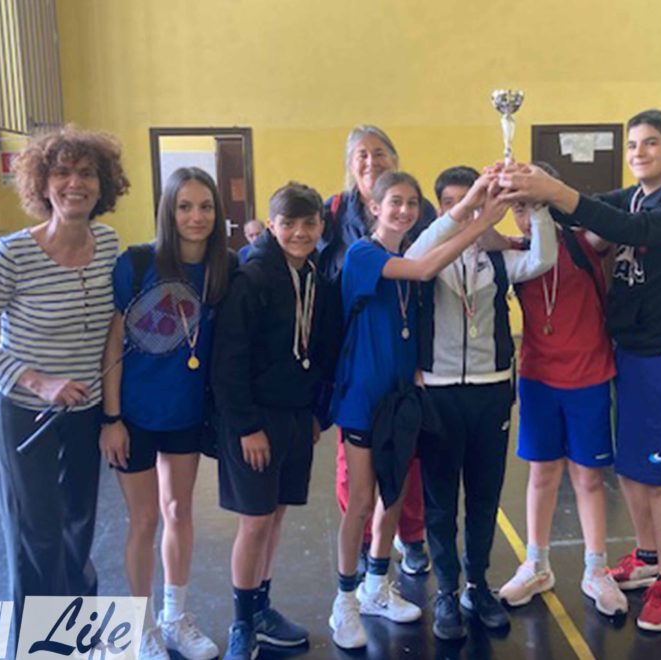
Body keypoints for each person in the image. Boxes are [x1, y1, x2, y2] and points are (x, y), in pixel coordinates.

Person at [500, 109, 661, 632]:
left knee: (659, 475)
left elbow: (627, 229)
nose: (640, 152)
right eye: (633, 144)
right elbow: (592, 207)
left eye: (651, 143)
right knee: (633, 468)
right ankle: (646, 558)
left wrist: (552, 190)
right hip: (631, 352)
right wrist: (514, 191)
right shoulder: (636, 195)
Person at [0, 125, 129, 640]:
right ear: (42, 184)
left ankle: (75, 634)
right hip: (23, 410)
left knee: (79, 524)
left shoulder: (108, 244)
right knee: (37, 535)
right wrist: (40, 381)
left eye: (87, 173)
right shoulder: (11, 254)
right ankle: (38, 645)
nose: (75, 183)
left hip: (85, 409)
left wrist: (111, 412)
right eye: (62, 173)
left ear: (102, 184)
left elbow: (113, 330)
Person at [328, 170, 509, 650]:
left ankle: (375, 586)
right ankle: (344, 600)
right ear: (374, 207)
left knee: (394, 494)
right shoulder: (365, 254)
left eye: (412, 203)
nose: (404, 210)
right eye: (394, 202)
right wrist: (479, 220)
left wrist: (478, 205)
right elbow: (426, 268)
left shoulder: (405, 253)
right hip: (363, 397)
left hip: (402, 398)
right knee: (361, 501)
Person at [414, 166, 558, 639]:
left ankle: (476, 585)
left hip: (491, 390)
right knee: (440, 501)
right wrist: (467, 214)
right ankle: (446, 591)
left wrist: (535, 202)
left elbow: (543, 258)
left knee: (484, 496)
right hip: (438, 393)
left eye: (476, 200)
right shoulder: (429, 254)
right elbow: (414, 257)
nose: (468, 209)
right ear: (442, 208)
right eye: (454, 201)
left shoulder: (498, 259)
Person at [98, 167, 232, 660]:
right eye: (185, 207)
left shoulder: (224, 269)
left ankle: (175, 618)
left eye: (206, 207)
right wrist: (111, 419)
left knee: (179, 511)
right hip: (134, 416)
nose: (196, 217)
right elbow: (113, 345)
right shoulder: (136, 264)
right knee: (144, 519)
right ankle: (143, 627)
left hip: (186, 415)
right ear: (168, 212)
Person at [213, 182, 340, 659]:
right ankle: (242, 623)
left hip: (295, 416)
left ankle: (262, 608)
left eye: (309, 223)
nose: (300, 232)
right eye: (289, 224)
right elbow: (228, 363)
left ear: (321, 226)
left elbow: (318, 351)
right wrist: (247, 427)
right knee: (255, 522)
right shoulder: (251, 278)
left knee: (276, 516)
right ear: (272, 225)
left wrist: (316, 413)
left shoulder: (315, 277)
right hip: (254, 420)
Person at [497, 163, 628, 619]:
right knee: (541, 474)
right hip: (538, 378)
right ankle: (536, 564)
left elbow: (614, 216)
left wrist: (554, 193)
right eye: (518, 208)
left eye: (534, 204)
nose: (526, 216)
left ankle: (596, 569)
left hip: (589, 377)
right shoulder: (517, 253)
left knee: (588, 478)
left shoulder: (585, 240)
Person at [318, 125, 433, 578]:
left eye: (380, 152)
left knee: (406, 463)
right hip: (358, 357)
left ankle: (410, 536)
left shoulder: (416, 211)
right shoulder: (334, 213)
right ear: (350, 166)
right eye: (362, 155)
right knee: (357, 477)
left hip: (402, 357)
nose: (371, 161)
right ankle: (364, 547)